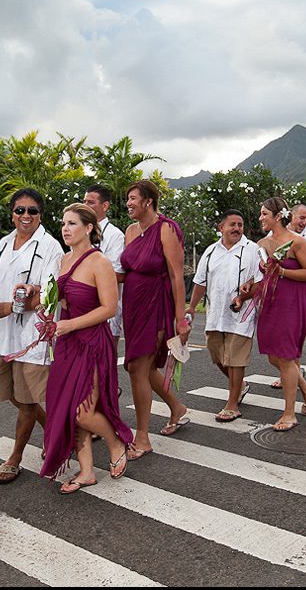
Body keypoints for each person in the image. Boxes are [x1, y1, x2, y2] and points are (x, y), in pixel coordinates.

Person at [0, 189, 63, 483]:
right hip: (2, 334)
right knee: (12, 394)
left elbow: (50, 296)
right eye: (20, 210)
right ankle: (55, 433)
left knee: (26, 399)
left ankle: (16, 458)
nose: (25, 216)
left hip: (30, 337)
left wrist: (12, 307)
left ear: (41, 215)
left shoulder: (50, 248)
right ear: (12, 213)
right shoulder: (4, 242)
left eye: (32, 211)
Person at [38, 204, 133, 493]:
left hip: (91, 343)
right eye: (63, 223)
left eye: (72, 223)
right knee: (68, 406)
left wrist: (70, 324)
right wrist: (53, 309)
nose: (65, 229)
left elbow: (108, 309)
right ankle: (87, 471)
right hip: (67, 342)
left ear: (89, 228)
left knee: (83, 410)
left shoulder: (99, 262)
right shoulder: (64, 260)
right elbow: (62, 298)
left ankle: (116, 442)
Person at [119, 180, 190, 461]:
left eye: (133, 198)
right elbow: (127, 270)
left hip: (155, 306)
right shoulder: (130, 230)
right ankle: (177, 407)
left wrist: (180, 317)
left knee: (138, 368)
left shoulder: (166, 228)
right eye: (127, 199)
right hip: (132, 308)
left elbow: (176, 275)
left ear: (148, 201)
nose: (129, 204)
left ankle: (143, 438)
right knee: (143, 368)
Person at [237, 197, 306, 430]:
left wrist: (282, 271)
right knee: (274, 356)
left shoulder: (297, 242)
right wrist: (247, 288)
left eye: (264, 214)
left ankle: (289, 413)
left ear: (277, 216)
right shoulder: (262, 243)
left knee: (285, 355)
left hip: (293, 301)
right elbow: (262, 274)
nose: (260, 218)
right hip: (270, 300)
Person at [186, 209, 262, 422]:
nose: (237, 228)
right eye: (232, 225)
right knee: (217, 354)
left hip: (242, 314)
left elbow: (260, 281)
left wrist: (243, 298)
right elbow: (200, 282)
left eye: (240, 224)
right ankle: (241, 385)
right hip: (215, 314)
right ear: (221, 228)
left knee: (236, 359)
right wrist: (191, 307)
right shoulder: (211, 251)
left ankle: (232, 404)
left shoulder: (252, 249)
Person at [269, 203, 306, 391]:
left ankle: (294, 378)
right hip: (276, 294)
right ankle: (292, 377)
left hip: (296, 293)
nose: (304, 222)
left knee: (292, 341)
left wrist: (283, 271)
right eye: (302, 218)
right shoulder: (273, 234)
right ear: (291, 215)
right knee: (278, 344)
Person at [83, 184, 125, 353]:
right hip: (81, 308)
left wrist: (84, 279)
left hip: (105, 311)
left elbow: (119, 275)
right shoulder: (80, 231)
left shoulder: (115, 236)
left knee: (103, 366)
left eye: (91, 202)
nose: (85, 206)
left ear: (105, 206)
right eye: (84, 201)